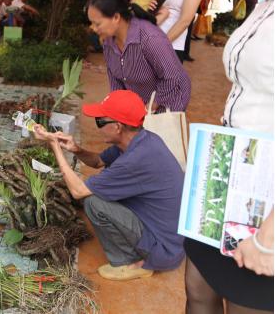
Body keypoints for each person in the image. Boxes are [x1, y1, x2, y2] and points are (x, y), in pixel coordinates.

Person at [184, 0, 274, 312]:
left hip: (266, 194)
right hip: (233, 174)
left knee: (245, 300)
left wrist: (269, 236)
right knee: (198, 289)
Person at [33, 90, 185, 281]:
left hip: (163, 248)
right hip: (169, 234)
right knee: (100, 188)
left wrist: (55, 146)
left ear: (117, 127)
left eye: (100, 121)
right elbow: (97, 161)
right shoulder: (141, 140)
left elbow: (78, 191)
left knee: (93, 202)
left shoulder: (134, 160)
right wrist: (75, 149)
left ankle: (130, 262)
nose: (97, 126)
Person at [90, 0, 191, 111]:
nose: (94, 29)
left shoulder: (150, 38)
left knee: (154, 130)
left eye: (97, 24)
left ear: (116, 17)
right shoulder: (108, 41)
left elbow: (171, 77)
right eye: (92, 23)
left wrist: (148, 109)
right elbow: (115, 79)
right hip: (142, 101)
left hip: (169, 100)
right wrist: (118, 107)